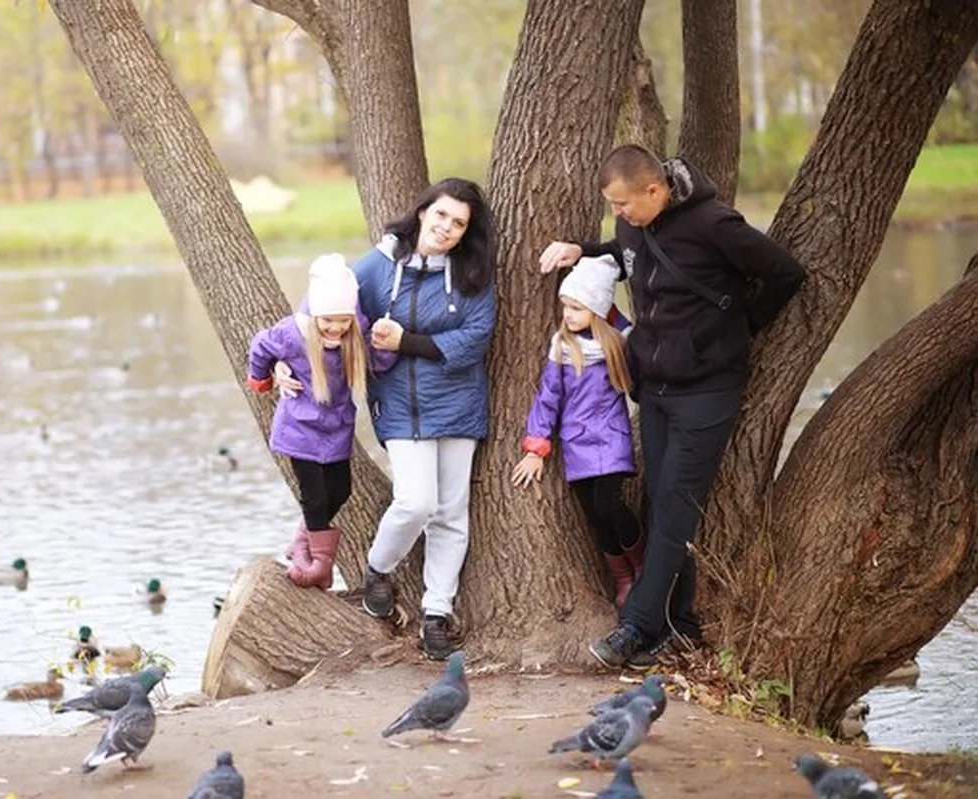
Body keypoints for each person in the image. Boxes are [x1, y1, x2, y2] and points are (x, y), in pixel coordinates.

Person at [539, 144, 806, 669]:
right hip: (655, 388)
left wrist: (737, 329)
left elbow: (784, 273)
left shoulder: (715, 225)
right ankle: (678, 626)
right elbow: (630, 255)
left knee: (675, 510)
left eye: (623, 204)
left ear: (655, 190)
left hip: (707, 391)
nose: (619, 214)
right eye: (612, 206)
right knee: (661, 507)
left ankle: (635, 627)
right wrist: (584, 250)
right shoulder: (633, 227)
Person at [279, 178, 497, 660]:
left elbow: (476, 336)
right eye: (441, 215)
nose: (447, 228)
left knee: (451, 515)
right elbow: (321, 305)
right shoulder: (379, 267)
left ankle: (436, 613)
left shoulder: (471, 273)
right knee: (417, 502)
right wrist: (282, 359)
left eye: (459, 223)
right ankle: (377, 569)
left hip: (460, 404)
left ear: (466, 232)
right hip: (399, 404)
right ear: (423, 212)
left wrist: (408, 342)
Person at [247, 254, 396, 589]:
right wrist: (263, 377)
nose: (335, 328)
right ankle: (320, 566)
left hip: (337, 429)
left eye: (343, 321)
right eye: (327, 320)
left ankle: (302, 540)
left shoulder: (355, 337)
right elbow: (260, 346)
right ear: (315, 315)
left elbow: (378, 364)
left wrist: (387, 346)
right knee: (314, 496)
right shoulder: (293, 334)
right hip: (300, 429)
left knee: (340, 491)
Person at [511, 254, 643, 608]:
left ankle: (642, 565)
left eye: (577, 308)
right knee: (595, 516)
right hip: (576, 443)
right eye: (565, 307)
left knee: (609, 503)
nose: (568, 315)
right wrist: (535, 448)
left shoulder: (617, 342)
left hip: (611, 437)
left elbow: (620, 320)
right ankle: (622, 578)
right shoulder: (563, 347)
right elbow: (547, 399)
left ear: (597, 311)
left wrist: (599, 289)